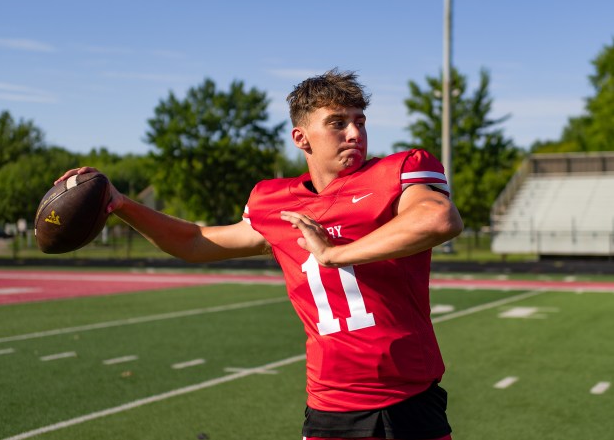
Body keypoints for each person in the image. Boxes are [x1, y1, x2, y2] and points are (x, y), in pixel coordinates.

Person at [56, 69, 463, 440]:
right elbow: (195, 241)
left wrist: (335, 254)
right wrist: (121, 204)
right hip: (330, 403)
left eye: (360, 121)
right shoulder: (274, 201)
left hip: (408, 398)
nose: (355, 134)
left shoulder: (400, 170)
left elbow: (438, 218)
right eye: (337, 123)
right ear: (302, 138)